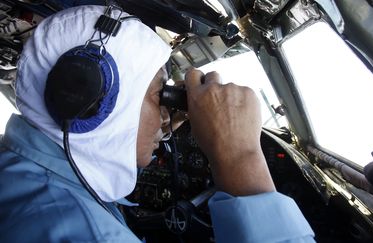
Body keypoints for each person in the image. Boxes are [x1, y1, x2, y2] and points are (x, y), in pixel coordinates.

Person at [0, 5, 314, 243]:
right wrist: (239, 160)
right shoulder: (85, 232)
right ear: (88, 101)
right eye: (158, 96)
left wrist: (156, 127)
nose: (166, 115)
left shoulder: (26, 178)